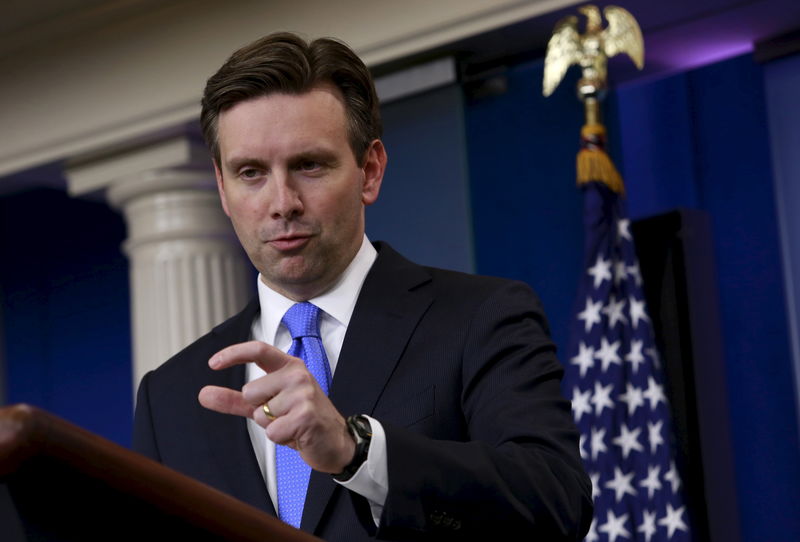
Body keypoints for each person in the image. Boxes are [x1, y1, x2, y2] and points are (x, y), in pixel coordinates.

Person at [132, 32, 592, 541]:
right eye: (251, 173)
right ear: (222, 188)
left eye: (308, 165)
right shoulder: (169, 396)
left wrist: (358, 451)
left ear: (369, 170)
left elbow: (556, 503)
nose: (282, 201)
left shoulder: (482, 317)